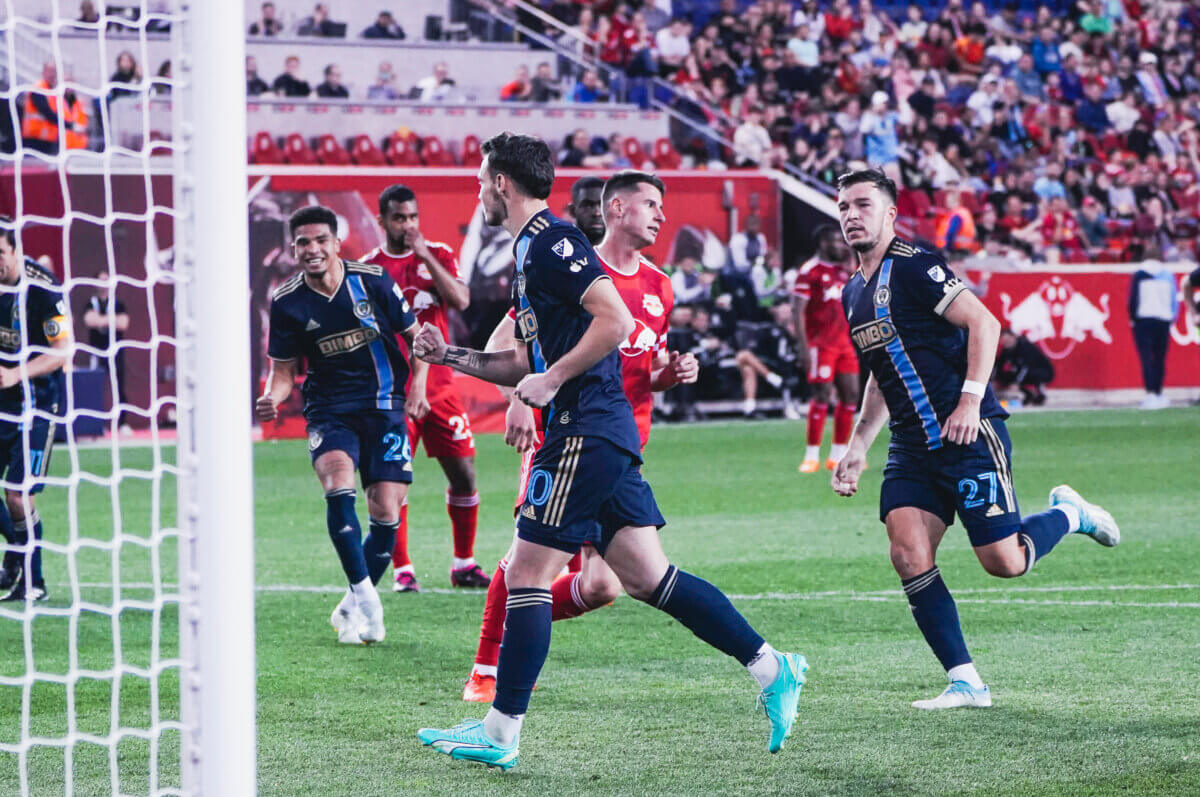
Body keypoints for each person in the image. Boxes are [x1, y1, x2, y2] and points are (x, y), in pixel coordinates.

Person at [415, 133, 806, 769]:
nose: (478, 190)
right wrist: (450, 356)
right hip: (603, 432)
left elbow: (615, 322)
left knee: (528, 576)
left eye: (482, 179)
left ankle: (499, 732)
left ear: (503, 184)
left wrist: (554, 377)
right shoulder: (530, 252)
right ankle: (772, 668)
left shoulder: (553, 242)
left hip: (582, 432)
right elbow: (520, 359)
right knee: (650, 578)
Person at [830, 169, 1120, 710]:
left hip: (969, 434)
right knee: (908, 554)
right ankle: (967, 682)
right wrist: (857, 445)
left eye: (862, 204)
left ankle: (1070, 515)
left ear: (890, 213)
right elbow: (879, 375)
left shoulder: (917, 267)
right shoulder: (852, 293)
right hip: (912, 449)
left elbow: (985, 323)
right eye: (843, 205)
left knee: (1004, 562)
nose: (850, 215)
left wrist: (969, 399)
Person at [462, 171, 699, 702]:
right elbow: (510, 344)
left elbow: (641, 366)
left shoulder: (660, 285)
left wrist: (671, 373)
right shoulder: (566, 268)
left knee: (601, 586)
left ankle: (521, 636)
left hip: (619, 440)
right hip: (563, 433)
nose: (593, 212)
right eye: (587, 204)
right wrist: (520, 400)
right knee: (526, 559)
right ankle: (488, 668)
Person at [256, 206, 427, 645]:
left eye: (319, 241)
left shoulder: (372, 281)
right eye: (302, 243)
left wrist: (418, 389)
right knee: (337, 485)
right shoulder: (287, 301)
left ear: (335, 243)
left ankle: (350, 602)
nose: (311, 250)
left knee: (387, 511)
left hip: (384, 404)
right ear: (294, 250)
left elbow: (418, 341)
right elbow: (282, 373)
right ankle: (370, 602)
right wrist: (270, 399)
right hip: (329, 410)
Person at [361, 185, 487, 592]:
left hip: (441, 387)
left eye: (413, 217)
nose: (409, 225)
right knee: (393, 481)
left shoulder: (440, 254)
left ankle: (463, 563)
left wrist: (425, 254)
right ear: (382, 221)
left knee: (464, 473)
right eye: (400, 218)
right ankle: (403, 570)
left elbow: (462, 300)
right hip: (392, 393)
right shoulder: (368, 269)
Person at [0, 220, 71, 602]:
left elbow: (62, 351)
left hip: (37, 403)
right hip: (2, 399)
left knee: (17, 496)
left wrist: (14, 374)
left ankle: (34, 581)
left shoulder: (43, 287)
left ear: (16, 251)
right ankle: (16, 551)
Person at [793, 225, 859, 473]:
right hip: (820, 344)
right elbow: (797, 312)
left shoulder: (843, 271)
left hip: (845, 343)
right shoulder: (809, 271)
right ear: (822, 243)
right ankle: (811, 455)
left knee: (850, 396)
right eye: (835, 241)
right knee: (821, 396)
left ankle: (838, 455)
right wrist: (803, 347)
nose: (840, 245)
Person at [83, 271, 131, 431]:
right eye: (101, 280)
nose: (103, 284)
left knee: (118, 386)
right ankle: (97, 424)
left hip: (115, 350)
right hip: (96, 350)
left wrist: (101, 320)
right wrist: (112, 320)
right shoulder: (91, 302)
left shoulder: (118, 303)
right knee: (96, 387)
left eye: (106, 280)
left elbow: (123, 323)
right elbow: (89, 320)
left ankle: (122, 423)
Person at [1128, 263, 1179, 410]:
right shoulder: (1168, 275)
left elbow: (1133, 299)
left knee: (1147, 358)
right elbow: (1174, 299)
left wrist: (1133, 318)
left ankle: (1151, 392)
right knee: (1159, 358)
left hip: (1144, 320)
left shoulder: (1139, 275)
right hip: (1163, 319)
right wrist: (1172, 317)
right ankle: (1158, 392)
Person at [21, 61, 88, 156]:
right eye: (50, 71)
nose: (52, 74)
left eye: (54, 72)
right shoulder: (38, 89)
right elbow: (47, 113)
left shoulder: (53, 93)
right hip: (34, 139)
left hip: (49, 140)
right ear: (44, 72)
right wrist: (71, 126)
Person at [993, 329, 1054, 406]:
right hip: (1025, 372)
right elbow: (999, 366)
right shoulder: (1007, 350)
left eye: (1008, 340)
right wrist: (995, 380)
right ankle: (1028, 394)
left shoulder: (1025, 347)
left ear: (1014, 337)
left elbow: (1025, 368)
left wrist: (1016, 383)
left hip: (1043, 371)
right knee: (1008, 374)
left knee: (1028, 374)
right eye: (1004, 341)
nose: (1006, 343)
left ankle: (1040, 395)